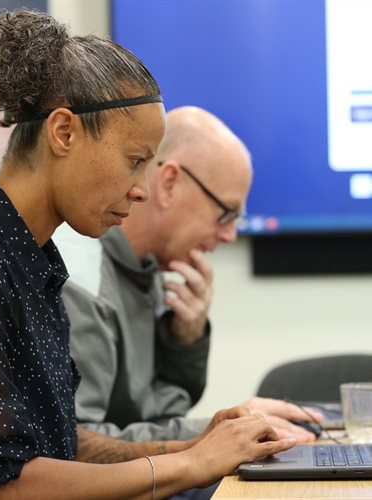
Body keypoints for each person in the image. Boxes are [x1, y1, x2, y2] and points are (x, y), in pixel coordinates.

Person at [0, 9, 296, 500]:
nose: (142, 190)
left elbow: (61, 452)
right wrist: (189, 464)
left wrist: (198, 445)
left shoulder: (33, 259)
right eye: (135, 161)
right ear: (64, 133)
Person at [56, 106, 323, 449]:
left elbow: (160, 415)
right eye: (225, 213)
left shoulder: (151, 267)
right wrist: (214, 433)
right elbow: (76, 446)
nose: (229, 235)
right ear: (169, 184)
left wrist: (185, 340)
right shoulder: (81, 276)